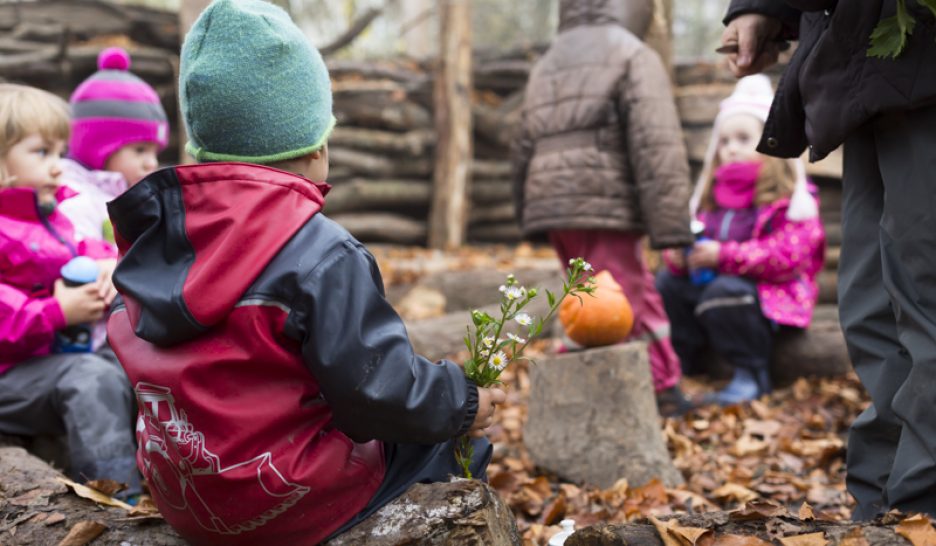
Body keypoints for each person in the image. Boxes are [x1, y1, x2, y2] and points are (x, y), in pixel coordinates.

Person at [104, 1, 504, 544]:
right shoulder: (321, 252)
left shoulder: (153, 242)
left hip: (187, 501)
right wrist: (463, 400)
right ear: (316, 148)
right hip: (288, 505)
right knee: (457, 441)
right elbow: (376, 393)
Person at [721, 0, 936, 519]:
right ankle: (881, 504)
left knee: (926, 297)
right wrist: (763, 8)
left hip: (923, 61)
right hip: (859, 68)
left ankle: (919, 506)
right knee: (870, 309)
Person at [511, 0, 694, 416]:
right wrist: (672, 224)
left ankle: (607, 385)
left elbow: (522, 143)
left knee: (587, 295)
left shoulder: (549, 61)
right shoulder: (632, 52)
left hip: (554, 200)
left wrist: (528, 208)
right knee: (624, 293)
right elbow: (656, 141)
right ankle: (660, 387)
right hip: (604, 197)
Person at [0, 83, 139, 496]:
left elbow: (78, 250)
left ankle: (170, 472)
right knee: (89, 378)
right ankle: (117, 498)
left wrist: (101, 264)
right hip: (11, 374)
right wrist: (57, 311)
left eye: (59, 152)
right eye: (42, 152)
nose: (59, 166)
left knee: (131, 355)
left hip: (46, 362)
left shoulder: (47, 217)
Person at [656, 75, 825, 405]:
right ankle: (683, 364)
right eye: (725, 140)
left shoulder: (789, 199)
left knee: (725, 291)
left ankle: (751, 374)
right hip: (718, 292)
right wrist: (679, 259)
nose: (731, 147)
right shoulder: (711, 196)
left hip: (770, 296)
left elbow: (788, 256)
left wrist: (723, 256)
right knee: (668, 285)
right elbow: (694, 237)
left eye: (744, 138)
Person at [57, 47, 169, 244]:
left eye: (155, 152)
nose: (151, 163)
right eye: (140, 150)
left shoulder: (132, 195)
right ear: (96, 148)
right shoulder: (75, 199)